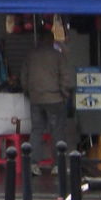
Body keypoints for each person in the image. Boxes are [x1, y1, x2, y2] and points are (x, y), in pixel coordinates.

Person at [23, 26, 73, 172]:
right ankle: (58, 165)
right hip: (54, 98)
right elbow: (65, 77)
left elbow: (24, 77)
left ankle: (33, 164)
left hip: (36, 98)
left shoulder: (31, 55)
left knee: (36, 130)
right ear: (51, 40)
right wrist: (65, 94)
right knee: (57, 131)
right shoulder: (57, 56)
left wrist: (29, 92)